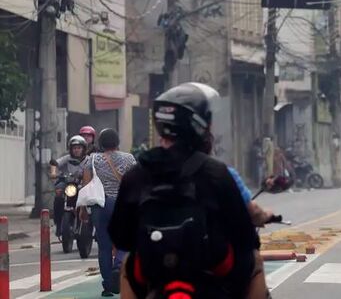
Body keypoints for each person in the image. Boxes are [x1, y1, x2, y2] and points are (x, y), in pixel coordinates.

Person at [109, 83, 262, 299]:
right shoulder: (216, 172)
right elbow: (245, 236)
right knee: (255, 261)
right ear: (199, 125)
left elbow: (121, 237)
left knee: (127, 266)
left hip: (156, 272)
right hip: (210, 271)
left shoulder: (137, 174)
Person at [82, 128, 135, 296]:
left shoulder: (92, 159)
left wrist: (83, 208)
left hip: (100, 205)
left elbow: (86, 184)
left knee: (104, 246)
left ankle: (107, 286)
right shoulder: (129, 159)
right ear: (117, 142)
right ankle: (118, 265)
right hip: (122, 206)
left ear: (101, 143)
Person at [51, 135, 88, 236]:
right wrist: (54, 173)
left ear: (84, 149)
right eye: (74, 148)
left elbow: (95, 169)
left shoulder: (88, 160)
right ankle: (58, 223)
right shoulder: (67, 158)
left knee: (93, 201)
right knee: (58, 194)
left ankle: (93, 225)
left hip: (82, 184)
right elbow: (54, 163)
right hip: (68, 183)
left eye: (79, 148)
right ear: (71, 149)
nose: (76, 150)